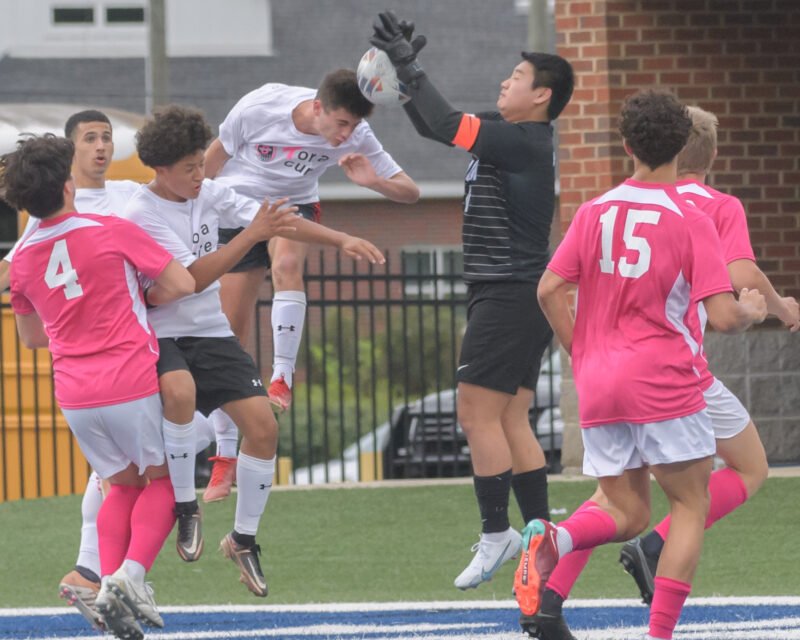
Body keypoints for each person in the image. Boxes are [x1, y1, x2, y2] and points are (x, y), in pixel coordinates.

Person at [525, 105, 800, 640]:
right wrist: (760, 309)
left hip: (600, 380)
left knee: (621, 505)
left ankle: (553, 562)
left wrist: (582, 353)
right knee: (696, 501)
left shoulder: (595, 209)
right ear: (701, 153)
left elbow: (549, 289)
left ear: (626, 145)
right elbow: (727, 304)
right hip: (671, 374)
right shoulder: (701, 212)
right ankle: (658, 621)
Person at [123, 104, 384, 596]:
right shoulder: (141, 213)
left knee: (263, 428)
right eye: (189, 168)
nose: (202, 174)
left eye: (203, 163)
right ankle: (185, 506)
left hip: (211, 333)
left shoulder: (209, 190)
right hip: (161, 335)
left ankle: (243, 539)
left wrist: (341, 238)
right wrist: (251, 234)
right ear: (160, 171)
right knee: (178, 392)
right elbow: (187, 280)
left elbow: (278, 221)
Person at [369, 11, 574, 589]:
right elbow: (436, 125)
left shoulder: (523, 140)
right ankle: (540, 533)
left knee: (474, 414)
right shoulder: (506, 132)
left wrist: (409, 66)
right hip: (514, 292)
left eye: (516, 75)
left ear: (542, 95)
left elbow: (445, 120)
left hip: (510, 292)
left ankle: (496, 534)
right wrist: (405, 77)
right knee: (509, 418)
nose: (505, 82)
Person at [4, 133, 196, 640]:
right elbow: (182, 284)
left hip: (75, 392)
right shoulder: (109, 228)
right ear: (68, 185)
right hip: (129, 377)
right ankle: (130, 579)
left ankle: (112, 589)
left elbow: (30, 338)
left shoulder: (20, 261)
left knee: (121, 484)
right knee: (161, 481)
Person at [203, 67, 419, 416]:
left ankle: (282, 375)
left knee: (287, 264)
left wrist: (374, 182)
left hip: (293, 204)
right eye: (341, 124)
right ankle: (225, 452)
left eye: (353, 126)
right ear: (318, 108)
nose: (346, 134)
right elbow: (207, 165)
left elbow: (410, 192)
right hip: (237, 206)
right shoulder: (260, 108)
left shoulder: (358, 134)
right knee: (231, 331)